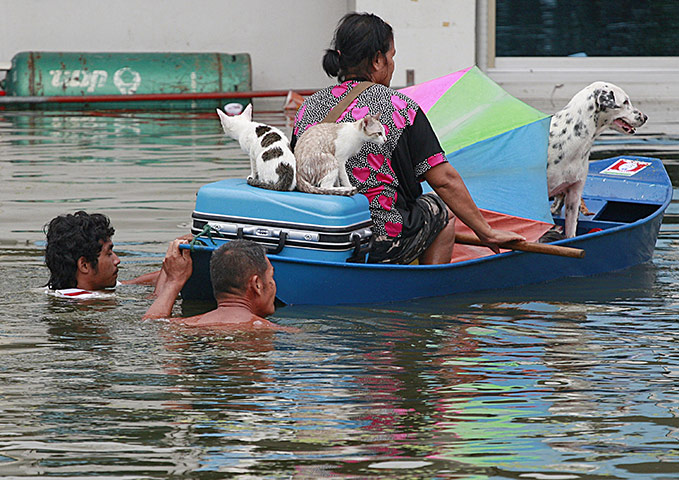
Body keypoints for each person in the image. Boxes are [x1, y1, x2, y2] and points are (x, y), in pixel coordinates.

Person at [291, 12, 525, 265]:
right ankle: (430, 288)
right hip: (378, 239)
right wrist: (486, 231)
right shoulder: (400, 107)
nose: (392, 64)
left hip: (316, 232)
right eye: (392, 57)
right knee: (440, 209)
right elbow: (444, 180)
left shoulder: (309, 107)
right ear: (378, 60)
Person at [143, 239, 284, 330]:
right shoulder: (270, 330)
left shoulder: (184, 325)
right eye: (271, 276)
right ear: (257, 284)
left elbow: (150, 326)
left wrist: (174, 282)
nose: (273, 284)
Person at [44, 211, 161, 298]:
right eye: (109, 253)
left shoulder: (60, 291)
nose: (117, 260)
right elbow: (155, 313)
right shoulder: (89, 301)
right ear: (84, 265)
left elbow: (133, 283)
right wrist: (172, 283)